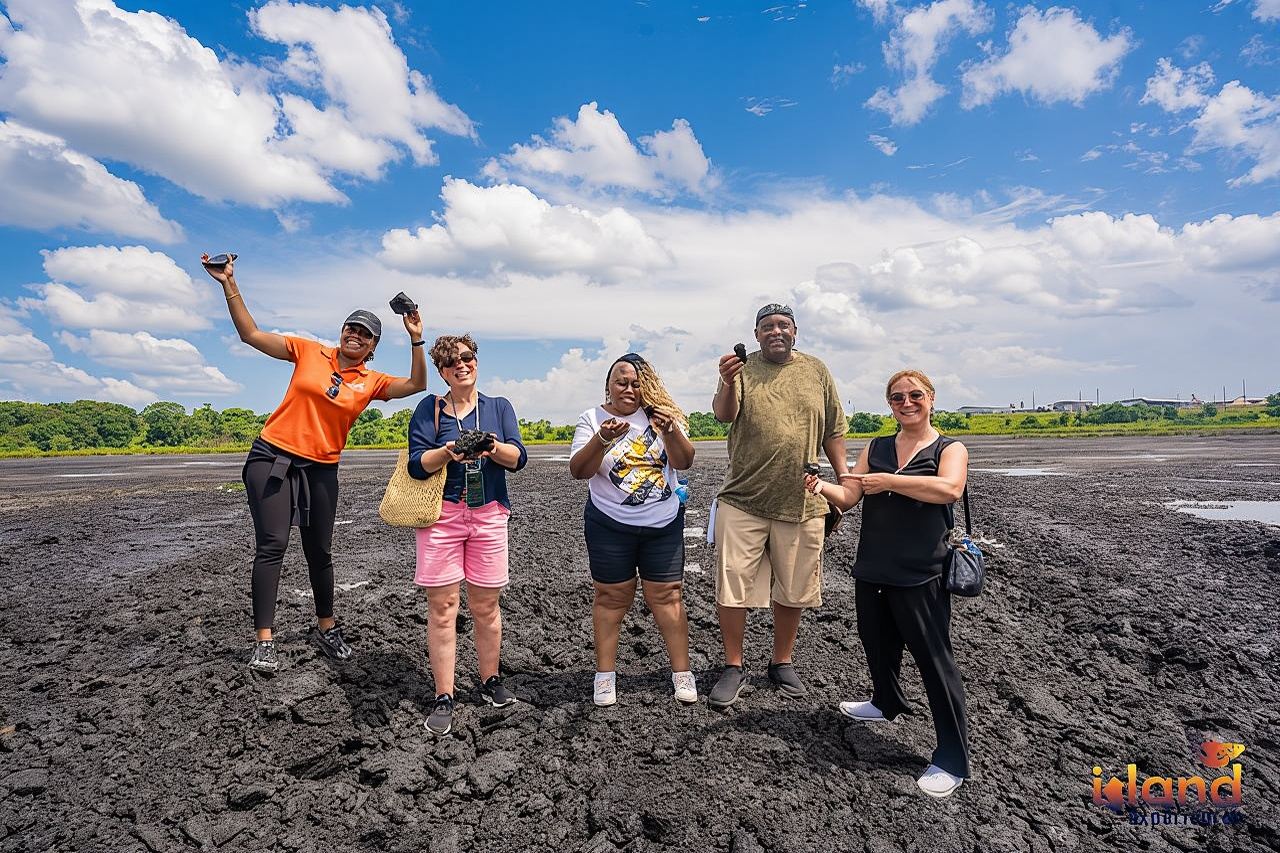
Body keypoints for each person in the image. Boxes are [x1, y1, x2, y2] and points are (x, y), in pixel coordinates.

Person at [202, 255, 427, 672]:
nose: (355, 334)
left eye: (365, 333)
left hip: (322, 469)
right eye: (351, 327)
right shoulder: (309, 351)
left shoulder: (371, 381)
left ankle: (326, 627)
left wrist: (416, 338)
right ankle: (264, 641)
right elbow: (250, 334)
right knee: (272, 545)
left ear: (373, 347)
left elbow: (417, 384)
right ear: (341, 331)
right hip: (272, 457)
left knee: (319, 551)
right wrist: (229, 283)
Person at [806, 369, 971, 798]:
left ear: (931, 398)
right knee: (876, 642)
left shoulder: (950, 448)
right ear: (890, 405)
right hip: (873, 567)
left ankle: (952, 759)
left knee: (934, 662)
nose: (907, 403)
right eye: (897, 398)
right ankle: (886, 701)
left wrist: (891, 481)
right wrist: (820, 486)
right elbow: (850, 496)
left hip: (922, 573)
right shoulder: (876, 447)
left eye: (915, 395)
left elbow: (949, 490)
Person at [707, 303, 848, 708]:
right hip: (743, 496)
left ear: (795, 331)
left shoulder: (816, 370)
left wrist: (845, 479)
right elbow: (723, 415)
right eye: (767, 326)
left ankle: (781, 661)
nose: (776, 331)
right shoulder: (741, 369)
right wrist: (726, 381)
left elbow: (833, 429)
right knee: (733, 584)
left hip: (802, 498)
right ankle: (733, 666)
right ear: (756, 335)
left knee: (794, 586)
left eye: (783, 325)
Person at [408, 334, 527, 736]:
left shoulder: (498, 407)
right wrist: (448, 453)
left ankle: (490, 680)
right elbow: (416, 464)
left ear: (476, 360)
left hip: (488, 514)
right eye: (450, 361)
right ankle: (444, 694)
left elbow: (518, 457)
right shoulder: (429, 409)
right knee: (443, 607)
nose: (461, 364)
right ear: (442, 372)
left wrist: (491, 447)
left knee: (486, 605)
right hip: (441, 516)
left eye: (467, 357)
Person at [568, 353, 698, 707]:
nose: (629, 389)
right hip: (609, 524)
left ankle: (682, 674)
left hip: (662, 524)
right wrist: (602, 439)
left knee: (668, 597)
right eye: (621, 382)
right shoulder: (592, 418)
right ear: (608, 386)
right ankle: (605, 677)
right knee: (611, 598)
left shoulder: (663, 416)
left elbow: (684, 461)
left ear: (647, 386)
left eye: (637, 383)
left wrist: (669, 430)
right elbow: (579, 470)